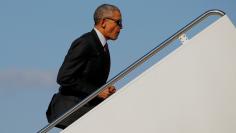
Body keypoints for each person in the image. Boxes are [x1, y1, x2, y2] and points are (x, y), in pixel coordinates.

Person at [46, 4, 122, 129]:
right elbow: (64, 77)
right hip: (71, 110)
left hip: (85, 110)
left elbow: (88, 80)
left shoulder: (103, 47)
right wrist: (96, 92)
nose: (120, 27)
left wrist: (105, 90)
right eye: (118, 22)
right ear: (103, 22)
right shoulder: (85, 42)